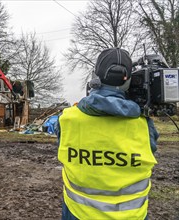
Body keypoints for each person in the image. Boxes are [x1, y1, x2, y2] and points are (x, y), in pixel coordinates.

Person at [58, 48, 158, 220]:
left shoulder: (67, 119)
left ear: (95, 77)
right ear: (129, 81)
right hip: (132, 215)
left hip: (78, 213)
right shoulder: (144, 125)